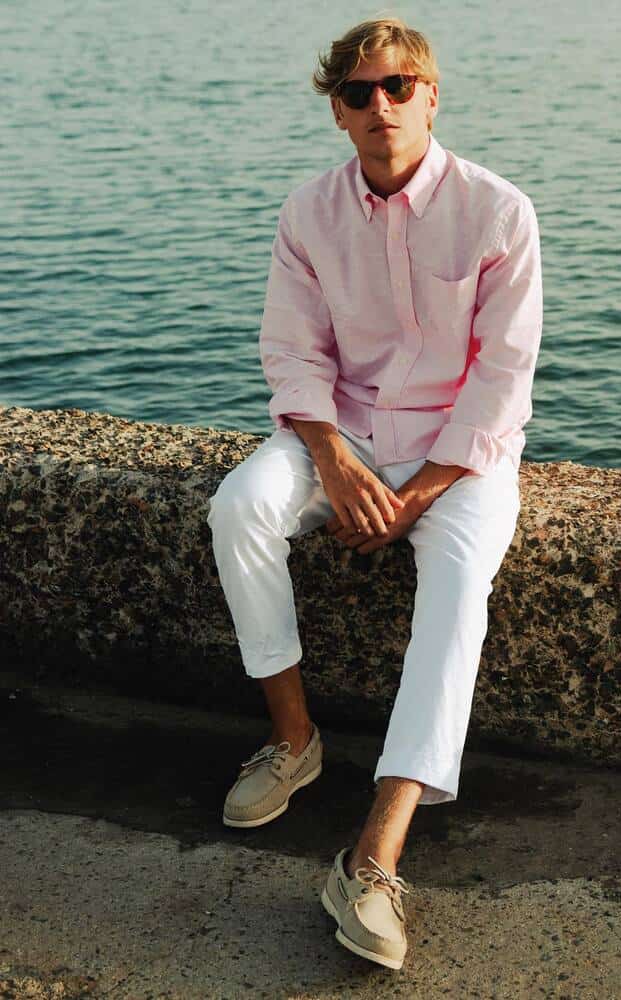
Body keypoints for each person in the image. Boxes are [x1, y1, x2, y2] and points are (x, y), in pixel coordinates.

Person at [206, 16, 543, 971]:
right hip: (338, 433)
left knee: (458, 590)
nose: (380, 104)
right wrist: (339, 462)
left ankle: (373, 858)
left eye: (399, 86)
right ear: (337, 111)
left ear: (432, 95)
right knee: (238, 508)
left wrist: (424, 487)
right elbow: (293, 353)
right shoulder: (307, 214)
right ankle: (294, 739)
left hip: (460, 453)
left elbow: (503, 378)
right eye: (359, 92)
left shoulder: (498, 211)